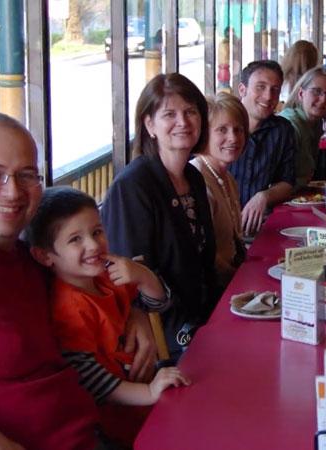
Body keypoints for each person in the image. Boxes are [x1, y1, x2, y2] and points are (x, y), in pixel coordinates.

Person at [0, 113, 101, 449]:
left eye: (26, 175)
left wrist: (137, 312)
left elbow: (96, 279)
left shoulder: (31, 258)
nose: (12, 192)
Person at [27, 187, 191, 446]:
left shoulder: (106, 274)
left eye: (97, 232)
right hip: (115, 423)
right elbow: (89, 378)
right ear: (44, 255)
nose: (93, 245)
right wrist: (147, 392)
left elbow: (158, 304)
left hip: (145, 397)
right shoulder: (69, 307)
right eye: (75, 239)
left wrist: (143, 275)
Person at [102, 73, 218, 361]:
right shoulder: (132, 186)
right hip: (164, 338)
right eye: (170, 114)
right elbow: (127, 280)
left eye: (191, 112)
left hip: (202, 319)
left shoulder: (192, 175)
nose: (183, 121)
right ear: (150, 125)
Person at [229, 60, 297, 234]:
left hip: (259, 227)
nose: (268, 96)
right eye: (260, 87)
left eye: (275, 90)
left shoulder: (283, 130)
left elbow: (287, 182)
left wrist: (263, 197)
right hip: (220, 228)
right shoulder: (221, 126)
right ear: (242, 90)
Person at [190, 93, 249, 287]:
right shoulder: (197, 178)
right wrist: (239, 280)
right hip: (215, 288)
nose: (233, 138)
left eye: (238, 130)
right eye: (222, 130)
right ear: (204, 134)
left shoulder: (228, 178)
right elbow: (203, 251)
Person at [279, 68, 326, 186]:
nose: (323, 100)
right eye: (316, 91)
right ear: (301, 94)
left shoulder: (316, 124)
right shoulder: (290, 126)